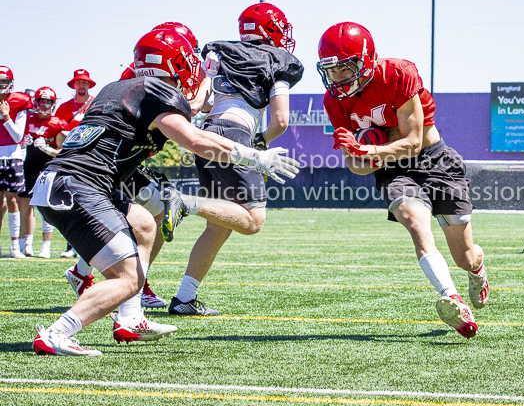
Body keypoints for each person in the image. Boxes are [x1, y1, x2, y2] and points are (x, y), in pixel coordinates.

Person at [30, 29, 299, 356]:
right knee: (128, 278)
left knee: (144, 223)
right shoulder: (159, 94)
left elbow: (182, 109)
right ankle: (59, 332)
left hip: (61, 182)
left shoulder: (118, 88)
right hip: (80, 187)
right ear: (181, 62)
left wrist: (202, 90)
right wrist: (256, 155)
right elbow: (196, 139)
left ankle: (130, 318)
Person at [316, 22, 489, 339]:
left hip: (435, 159)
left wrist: (367, 149)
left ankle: (477, 270)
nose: (338, 76)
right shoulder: (334, 102)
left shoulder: (399, 73)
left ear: (366, 60)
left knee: (464, 256)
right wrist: (361, 155)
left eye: (345, 66)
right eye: (332, 69)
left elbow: (412, 141)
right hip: (394, 169)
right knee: (414, 221)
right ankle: (451, 298)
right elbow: (355, 167)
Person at [162, 2, 303, 316]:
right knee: (253, 220)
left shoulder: (221, 54)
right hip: (236, 133)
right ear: (272, 29)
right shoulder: (277, 61)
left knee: (219, 226)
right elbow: (281, 120)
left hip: (208, 131)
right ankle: (184, 202)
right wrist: (260, 145)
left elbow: (198, 104)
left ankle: (185, 298)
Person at [63, 22, 202, 308]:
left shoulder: (138, 74)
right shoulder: (148, 81)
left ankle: (86, 273)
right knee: (146, 214)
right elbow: (190, 108)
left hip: (122, 157)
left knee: (142, 214)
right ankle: (135, 285)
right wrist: (210, 79)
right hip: (114, 159)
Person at [17, 87, 69, 258]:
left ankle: (46, 246)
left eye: (48, 101)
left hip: (49, 167)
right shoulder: (27, 118)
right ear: (36, 102)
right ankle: (26, 244)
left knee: (48, 206)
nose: (44, 105)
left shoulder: (58, 123)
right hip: (30, 166)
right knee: (25, 206)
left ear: (54, 104)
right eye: (41, 101)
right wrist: (21, 143)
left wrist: (47, 149)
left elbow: (64, 151)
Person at [55, 68, 97, 258]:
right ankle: (72, 246)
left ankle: (94, 244)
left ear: (89, 84)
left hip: (94, 157)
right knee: (71, 201)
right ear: (74, 85)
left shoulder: (97, 103)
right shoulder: (64, 108)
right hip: (71, 159)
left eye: (85, 82)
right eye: (79, 82)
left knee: (93, 200)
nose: (82, 85)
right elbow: (57, 135)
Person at [0, 66, 32, 259]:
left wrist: (6, 115)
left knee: (13, 201)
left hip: (12, 157)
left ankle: (14, 247)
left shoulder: (18, 103)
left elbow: (17, 135)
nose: (1, 85)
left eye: (4, 81)